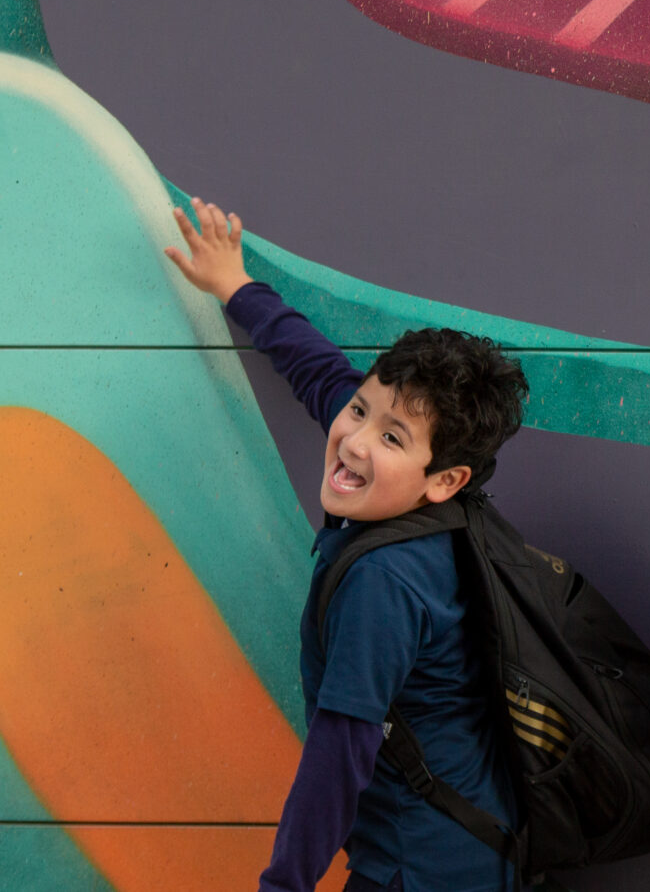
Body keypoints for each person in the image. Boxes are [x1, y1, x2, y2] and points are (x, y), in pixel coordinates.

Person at [166, 198, 530, 892]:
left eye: (392, 437)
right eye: (362, 410)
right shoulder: (441, 519)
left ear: (444, 478)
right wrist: (235, 286)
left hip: (415, 870)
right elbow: (320, 373)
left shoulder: (385, 579)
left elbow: (340, 752)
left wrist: (285, 885)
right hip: (478, 852)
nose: (355, 439)